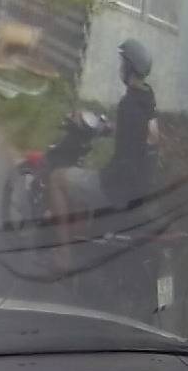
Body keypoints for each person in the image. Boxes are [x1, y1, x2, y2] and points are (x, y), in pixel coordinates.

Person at [47, 39, 159, 268]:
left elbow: (128, 131)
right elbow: (137, 133)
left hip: (116, 186)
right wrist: (109, 128)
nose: (120, 68)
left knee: (57, 179)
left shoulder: (129, 104)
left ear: (129, 68)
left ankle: (64, 254)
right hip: (141, 185)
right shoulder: (148, 99)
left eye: (123, 64)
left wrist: (98, 127)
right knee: (86, 174)